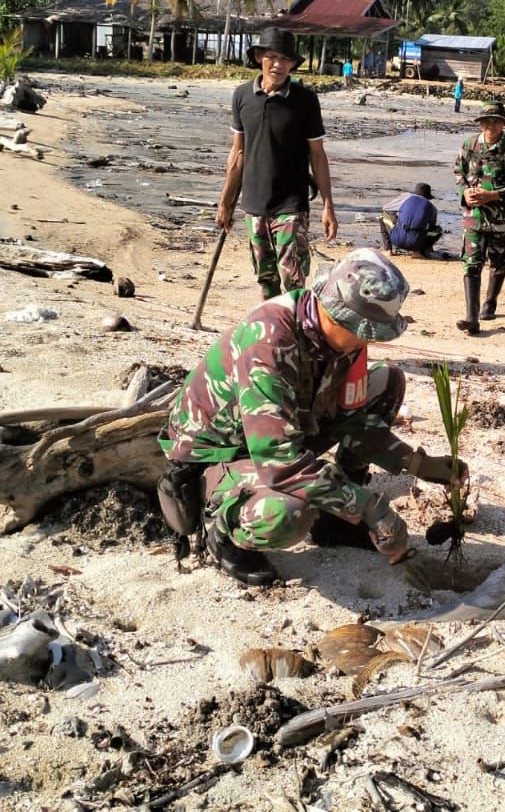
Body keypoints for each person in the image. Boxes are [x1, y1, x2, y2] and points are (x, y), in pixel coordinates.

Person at [156, 249, 468, 586]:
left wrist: (416, 463)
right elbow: (280, 463)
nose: (369, 339)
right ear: (336, 314)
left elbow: (353, 421)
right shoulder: (269, 343)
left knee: (387, 380)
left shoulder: (342, 339)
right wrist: (367, 507)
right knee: (288, 514)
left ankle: (335, 522)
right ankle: (223, 534)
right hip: (224, 453)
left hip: (290, 426)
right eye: (365, 330)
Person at [218, 27, 338, 300]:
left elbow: (318, 155)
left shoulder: (305, 101)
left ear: (292, 64)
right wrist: (225, 202)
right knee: (266, 279)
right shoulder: (242, 96)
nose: (278, 64)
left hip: (291, 205)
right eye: (272, 57)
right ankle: (272, 325)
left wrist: (328, 206)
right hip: (254, 204)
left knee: (293, 279)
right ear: (259, 58)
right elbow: (237, 153)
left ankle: (297, 325)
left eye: (285, 59)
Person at [454, 102, 505, 334]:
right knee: (472, 263)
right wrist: (464, 192)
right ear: (480, 123)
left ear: (503, 124)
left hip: (500, 219)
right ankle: (471, 318)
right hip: (474, 216)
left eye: (496, 121)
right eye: (486, 121)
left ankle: (490, 302)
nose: (490, 125)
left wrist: (493, 195)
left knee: (498, 263)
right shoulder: (469, 145)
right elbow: (458, 172)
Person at [380, 182, 442, 258]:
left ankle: (388, 249)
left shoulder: (406, 198)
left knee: (382, 215)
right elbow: (431, 228)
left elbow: (385, 208)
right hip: (417, 244)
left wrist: (397, 219)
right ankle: (419, 252)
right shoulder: (433, 208)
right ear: (428, 196)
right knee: (438, 230)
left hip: (397, 240)